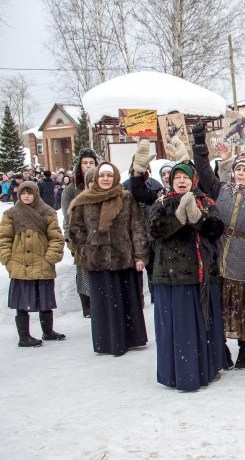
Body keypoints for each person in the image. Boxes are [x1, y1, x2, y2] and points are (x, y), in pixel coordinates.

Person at [191, 123, 245, 370]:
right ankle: (222, 346)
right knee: (220, 306)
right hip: (219, 251)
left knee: (242, 307)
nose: (240, 174)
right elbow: (204, 172)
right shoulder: (221, 190)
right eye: (237, 169)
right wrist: (199, 143)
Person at [148, 162, 226, 391]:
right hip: (172, 278)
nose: (181, 181)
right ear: (170, 182)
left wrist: (197, 218)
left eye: (185, 177)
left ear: (193, 181)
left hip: (201, 275)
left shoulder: (205, 202)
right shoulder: (161, 203)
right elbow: (155, 231)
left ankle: (205, 370)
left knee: (203, 325)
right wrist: (179, 217)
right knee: (178, 328)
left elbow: (216, 230)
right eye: (177, 177)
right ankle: (178, 374)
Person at [69, 162, 149, 356]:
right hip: (98, 261)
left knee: (126, 300)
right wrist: (86, 250)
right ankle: (107, 342)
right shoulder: (84, 201)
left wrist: (139, 255)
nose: (105, 179)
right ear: (96, 178)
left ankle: (130, 339)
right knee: (104, 305)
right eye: (102, 175)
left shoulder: (126, 198)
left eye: (109, 175)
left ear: (115, 177)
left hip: (124, 258)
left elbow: (137, 227)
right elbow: (75, 229)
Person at [0, 181, 65, 347]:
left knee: (45, 300)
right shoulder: (11, 214)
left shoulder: (47, 212)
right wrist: (8, 259)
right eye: (23, 193)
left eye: (29, 193)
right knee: (22, 303)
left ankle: (48, 332)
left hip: (42, 263)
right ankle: (24, 337)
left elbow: (56, 238)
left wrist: (50, 257)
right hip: (20, 265)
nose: (26, 196)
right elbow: (4, 239)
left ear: (36, 194)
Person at [62, 148, 100, 318]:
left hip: (101, 238)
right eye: (85, 163)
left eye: (91, 163)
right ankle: (88, 306)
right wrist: (70, 239)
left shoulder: (103, 185)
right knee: (84, 272)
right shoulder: (71, 189)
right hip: (80, 238)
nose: (88, 166)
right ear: (80, 166)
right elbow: (67, 216)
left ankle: (101, 303)